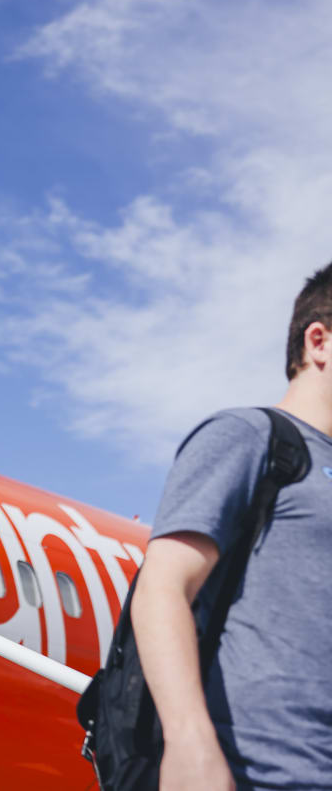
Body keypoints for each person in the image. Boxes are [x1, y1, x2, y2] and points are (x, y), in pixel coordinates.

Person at [131, 260, 332, 790]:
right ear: (319, 343)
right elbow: (163, 586)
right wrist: (189, 741)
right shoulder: (249, 437)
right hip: (258, 776)